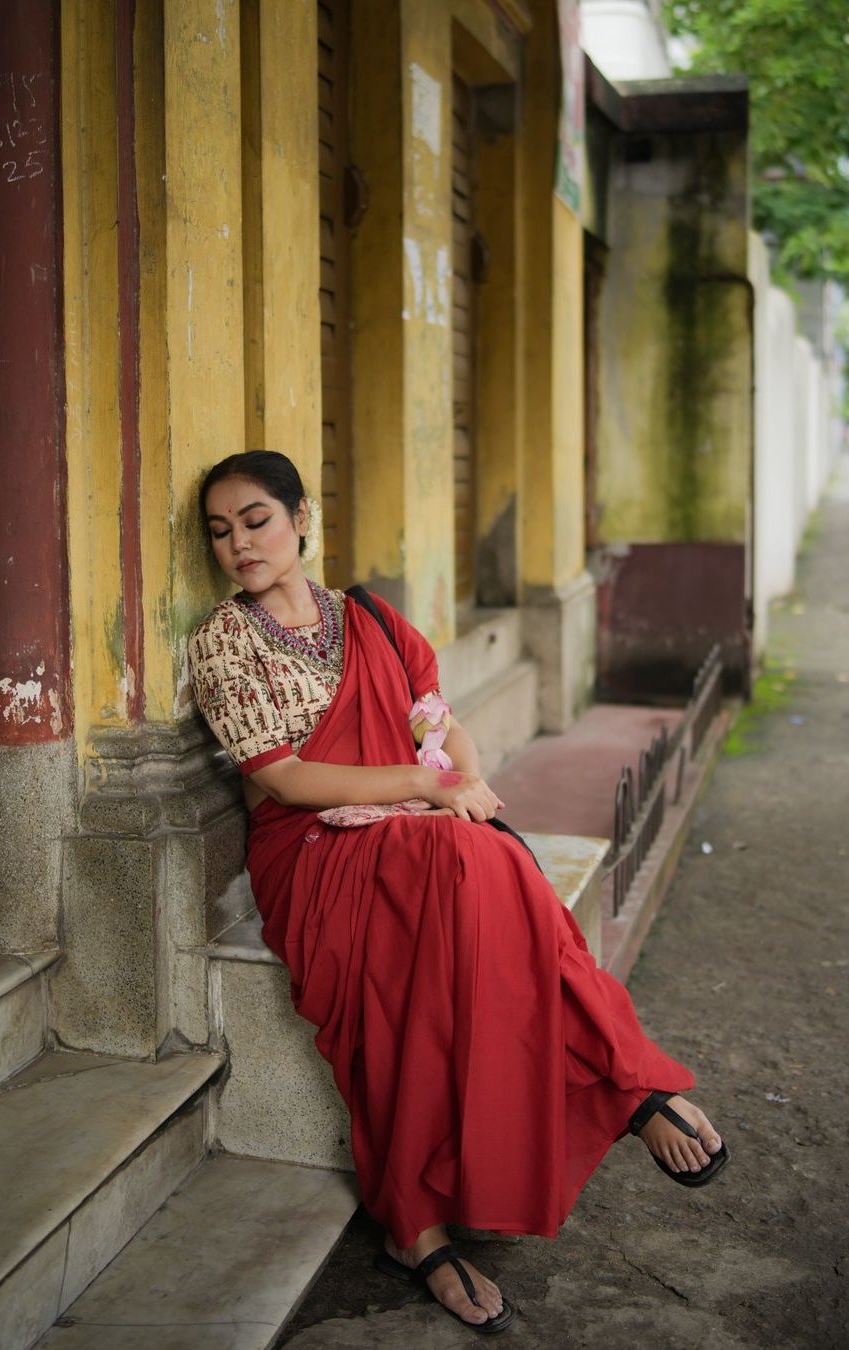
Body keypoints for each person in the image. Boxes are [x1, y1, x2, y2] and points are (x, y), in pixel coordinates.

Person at [188, 450, 729, 1335]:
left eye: (256, 521)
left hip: (415, 825)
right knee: (468, 865)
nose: (240, 544)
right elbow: (281, 778)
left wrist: (460, 785)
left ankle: (442, 1206)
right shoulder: (224, 640)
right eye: (220, 532)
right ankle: (612, 1090)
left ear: (300, 517)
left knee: (488, 867)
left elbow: (439, 723)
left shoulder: (367, 617)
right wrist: (428, 788)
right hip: (312, 847)